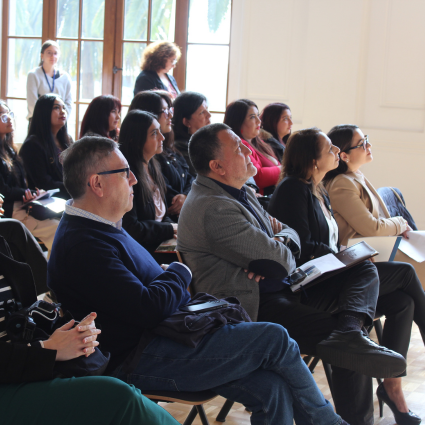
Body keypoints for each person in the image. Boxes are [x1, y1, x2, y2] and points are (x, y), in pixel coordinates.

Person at [48, 135, 351, 425]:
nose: (134, 180)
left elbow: (152, 294)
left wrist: (172, 276)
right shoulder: (83, 244)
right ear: (97, 184)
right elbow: (149, 308)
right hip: (138, 358)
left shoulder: (100, 226)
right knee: (275, 338)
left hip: (168, 335)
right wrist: (181, 271)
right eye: (125, 173)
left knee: (270, 387)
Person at [176, 123, 406, 425]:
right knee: (344, 348)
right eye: (238, 148)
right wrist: (277, 247)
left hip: (282, 288)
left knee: (361, 266)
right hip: (253, 308)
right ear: (217, 166)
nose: (249, 150)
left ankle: (350, 330)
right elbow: (280, 260)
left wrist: (278, 242)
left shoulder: (239, 191)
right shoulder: (213, 207)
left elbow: (288, 234)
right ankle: (352, 381)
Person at [268, 127, 424, 425]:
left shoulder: (318, 189)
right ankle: (351, 329)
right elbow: (298, 245)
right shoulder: (293, 189)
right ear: (313, 160)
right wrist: (340, 253)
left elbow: (325, 240)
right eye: (329, 150)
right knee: (400, 272)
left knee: (402, 301)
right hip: (309, 282)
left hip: (330, 273)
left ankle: (390, 384)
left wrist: (341, 251)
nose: (336, 154)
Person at [0, 308, 177, 425]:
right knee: (116, 397)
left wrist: (72, 335)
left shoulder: (9, 252)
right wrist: (47, 348)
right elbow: (152, 307)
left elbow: (26, 316)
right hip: (15, 374)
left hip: (28, 365)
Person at [324, 124, 410, 246]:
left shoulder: (354, 174)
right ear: (344, 156)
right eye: (362, 143)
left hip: (378, 243)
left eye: (366, 140)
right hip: (368, 252)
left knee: (393, 193)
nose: (369, 145)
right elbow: (373, 229)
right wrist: (401, 223)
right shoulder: (341, 184)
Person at [0, 100, 59, 257]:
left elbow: (19, 184)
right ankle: (51, 277)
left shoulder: (9, 149)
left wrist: (31, 194)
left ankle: (53, 275)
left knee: (61, 227)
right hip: (10, 211)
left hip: (21, 206)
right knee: (56, 231)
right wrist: (26, 193)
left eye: (10, 114)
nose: (9, 118)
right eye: (3, 116)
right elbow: (3, 191)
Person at [129, 91, 193, 220]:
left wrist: (186, 195)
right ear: (148, 114)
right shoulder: (149, 156)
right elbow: (167, 197)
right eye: (164, 111)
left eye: (170, 110)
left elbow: (190, 177)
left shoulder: (169, 148)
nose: (170, 115)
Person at [119, 110, 177, 254]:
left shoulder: (153, 166)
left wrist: (173, 229)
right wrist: (170, 229)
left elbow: (163, 215)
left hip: (157, 243)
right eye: (154, 133)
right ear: (135, 139)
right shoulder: (127, 176)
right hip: (140, 251)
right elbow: (132, 228)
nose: (162, 138)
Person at [20, 94, 72, 200]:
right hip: (47, 201)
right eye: (57, 107)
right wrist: (76, 188)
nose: (63, 112)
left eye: (64, 108)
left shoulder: (67, 140)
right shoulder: (32, 145)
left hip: (70, 197)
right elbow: (44, 183)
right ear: (44, 111)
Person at [224, 99, 280, 195]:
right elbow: (258, 177)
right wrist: (285, 169)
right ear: (238, 122)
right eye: (252, 117)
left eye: (258, 116)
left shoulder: (260, 143)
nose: (259, 121)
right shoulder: (239, 145)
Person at [26, 40, 72, 122]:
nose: (52, 56)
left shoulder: (65, 77)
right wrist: (47, 120)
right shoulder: (33, 75)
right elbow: (32, 103)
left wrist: (61, 118)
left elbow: (69, 102)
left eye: (55, 53)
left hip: (60, 122)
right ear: (42, 55)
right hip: (38, 122)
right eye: (49, 53)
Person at [172, 91, 211, 176]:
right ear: (186, 121)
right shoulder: (183, 148)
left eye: (207, 110)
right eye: (201, 113)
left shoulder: (203, 142)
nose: (209, 115)